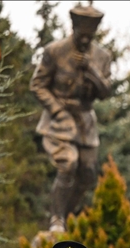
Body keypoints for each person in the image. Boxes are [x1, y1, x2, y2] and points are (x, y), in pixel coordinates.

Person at [30, 5, 112, 232]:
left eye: (89, 36)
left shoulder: (102, 56)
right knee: (68, 163)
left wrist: (92, 70)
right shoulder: (55, 51)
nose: (85, 40)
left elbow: (105, 92)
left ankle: (66, 216)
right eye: (81, 34)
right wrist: (57, 111)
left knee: (87, 173)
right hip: (59, 119)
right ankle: (56, 218)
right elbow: (37, 85)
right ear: (73, 28)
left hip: (85, 121)